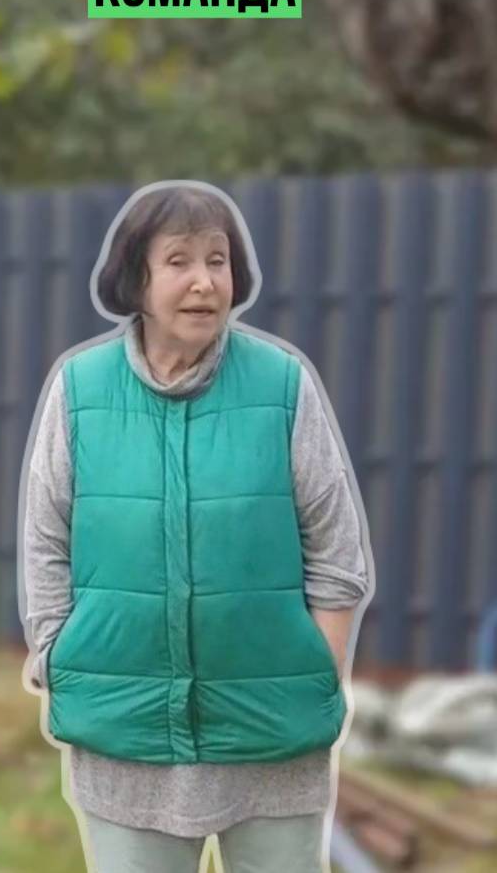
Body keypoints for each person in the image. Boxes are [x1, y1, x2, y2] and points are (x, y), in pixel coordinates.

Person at [20, 180, 373, 873]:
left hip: (271, 732)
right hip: (125, 729)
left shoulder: (282, 385)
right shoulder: (81, 390)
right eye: (178, 261)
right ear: (136, 278)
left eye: (218, 260)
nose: (204, 282)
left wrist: (315, 671)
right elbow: (44, 541)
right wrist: (59, 652)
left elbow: (336, 547)